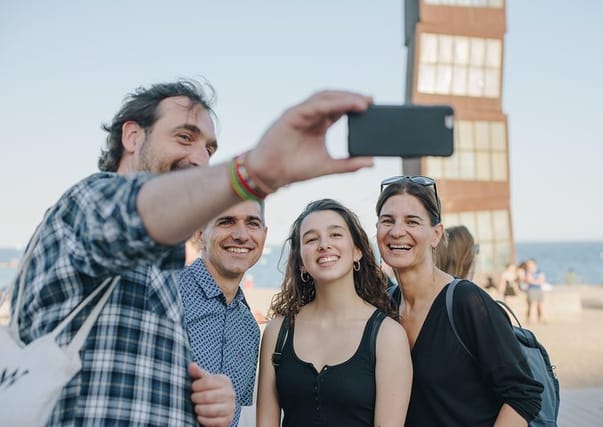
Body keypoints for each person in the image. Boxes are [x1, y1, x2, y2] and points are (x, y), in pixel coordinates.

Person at [9, 80, 374, 426]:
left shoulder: (172, 281)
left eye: (210, 150)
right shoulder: (88, 203)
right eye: (185, 137)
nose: (200, 159)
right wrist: (254, 172)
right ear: (133, 136)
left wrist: (214, 404)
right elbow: (136, 210)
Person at [375, 175, 542, 427]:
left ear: (436, 234)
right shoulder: (384, 306)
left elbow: (524, 394)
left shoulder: (465, 301)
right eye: (387, 221)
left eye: (412, 221)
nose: (397, 231)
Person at [257, 199, 412, 427]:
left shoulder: (388, 335)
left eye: (336, 235)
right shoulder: (278, 332)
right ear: (301, 262)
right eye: (311, 239)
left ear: (357, 251)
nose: (324, 245)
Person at [180, 200, 267, 427]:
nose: (241, 235)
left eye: (252, 223)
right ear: (200, 234)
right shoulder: (168, 294)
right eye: (226, 222)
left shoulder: (249, 328)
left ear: (264, 235)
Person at [524, 258, 547, 324]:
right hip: (532, 290)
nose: (528, 265)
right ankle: (532, 319)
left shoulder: (539, 271)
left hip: (539, 289)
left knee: (541, 305)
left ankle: (542, 318)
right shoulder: (528, 271)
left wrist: (533, 281)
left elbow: (542, 280)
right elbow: (528, 280)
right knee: (533, 305)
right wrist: (536, 281)